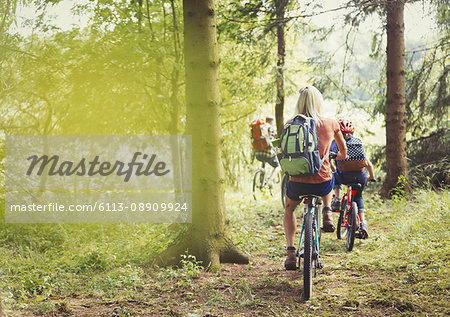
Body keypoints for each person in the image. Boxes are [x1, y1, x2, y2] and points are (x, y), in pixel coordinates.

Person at [283, 85, 347, 270]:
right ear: (319, 102)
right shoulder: (331, 123)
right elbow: (342, 150)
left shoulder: (290, 124)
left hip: (297, 183)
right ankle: (327, 211)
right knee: (330, 176)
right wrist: (339, 157)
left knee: (289, 209)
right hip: (322, 183)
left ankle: (290, 252)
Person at [330, 119, 375, 239]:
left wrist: (334, 169)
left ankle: (338, 199)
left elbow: (331, 161)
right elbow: (368, 164)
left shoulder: (335, 144)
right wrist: (371, 176)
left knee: (334, 175)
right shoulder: (358, 143)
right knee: (359, 197)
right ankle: (363, 224)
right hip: (360, 177)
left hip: (344, 176)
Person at [253, 116, 280, 184]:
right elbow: (277, 136)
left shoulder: (260, 128)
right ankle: (269, 180)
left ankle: (261, 182)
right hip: (268, 154)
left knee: (264, 162)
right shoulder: (270, 128)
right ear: (271, 121)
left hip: (258, 154)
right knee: (277, 166)